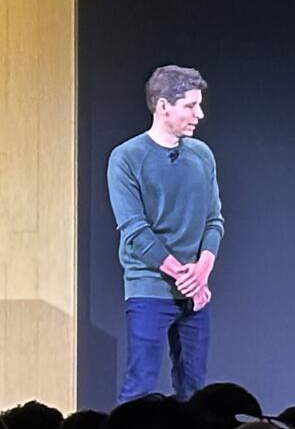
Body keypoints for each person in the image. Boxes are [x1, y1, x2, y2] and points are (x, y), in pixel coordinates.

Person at [107, 65, 225, 402]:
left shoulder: (202, 155)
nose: (199, 114)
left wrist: (201, 272)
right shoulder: (127, 158)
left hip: (194, 291)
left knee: (195, 391)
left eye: (199, 105)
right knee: (139, 387)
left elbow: (214, 220)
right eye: (190, 106)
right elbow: (135, 231)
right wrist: (184, 276)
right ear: (163, 106)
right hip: (150, 287)